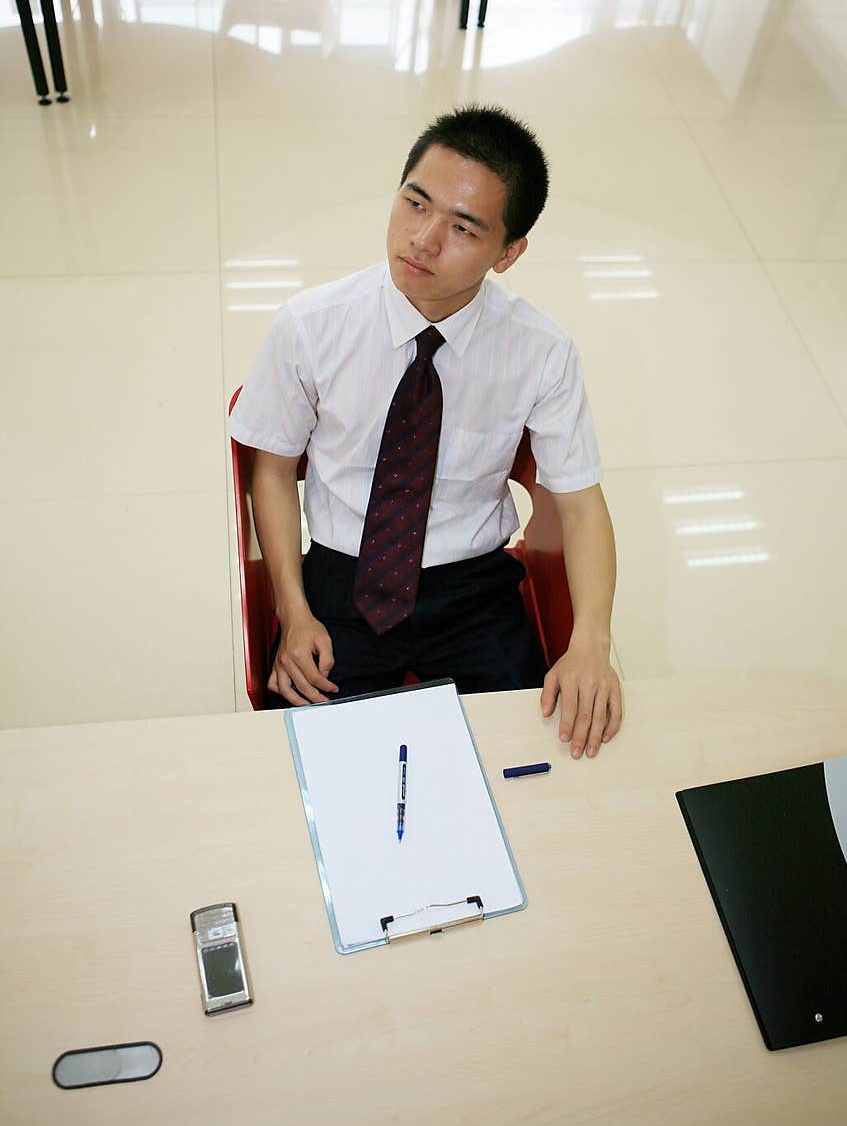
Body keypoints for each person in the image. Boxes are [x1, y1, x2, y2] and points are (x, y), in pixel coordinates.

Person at [228, 105, 623, 760]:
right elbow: (270, 472)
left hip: (472, 588)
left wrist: (591, 644)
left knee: (537, 758)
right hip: (341, 583)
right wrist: (292, 613)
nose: (424, 239)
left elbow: (582, 507)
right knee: (317, 768)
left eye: (464, 227)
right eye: (416, 203)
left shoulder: (541, 351)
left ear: (509, 253)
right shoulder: (311, 325)